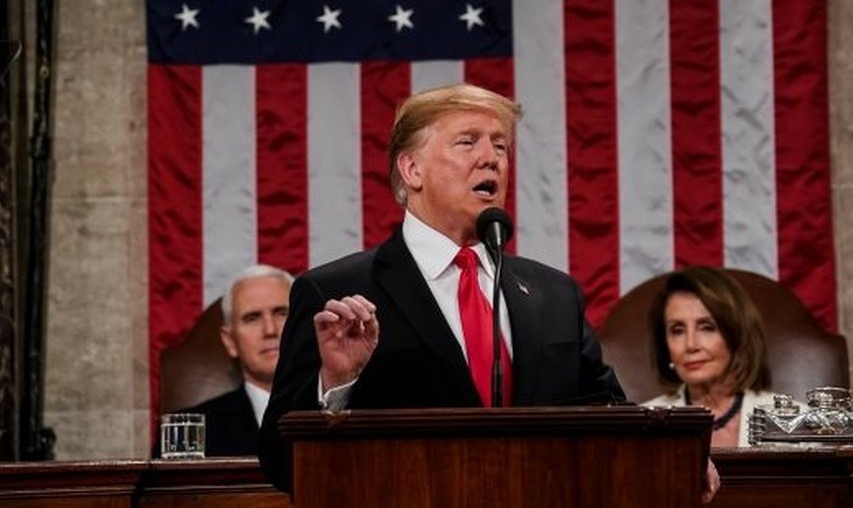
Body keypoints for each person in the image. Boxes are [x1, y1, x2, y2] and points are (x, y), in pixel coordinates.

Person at [258, 83, 629, 481]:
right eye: (468, 142)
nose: (491, 159)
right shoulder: (335, 293)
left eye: (500, 146)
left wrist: (676, 457)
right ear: (412, 169)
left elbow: (611, 413)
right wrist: (335, 385)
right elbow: (281, 464)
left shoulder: (555, 294)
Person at [641, 266, 780, 448]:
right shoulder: (643, 427)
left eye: (707, 327)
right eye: (677, 330)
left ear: (736, 335)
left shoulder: (794, 423)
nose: (691, 345)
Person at [179, 264, 293, 456]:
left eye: (282, 313)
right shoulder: (189, 434)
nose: (270, 330)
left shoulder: (341, 413)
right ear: (230, 341)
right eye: (252, 318)